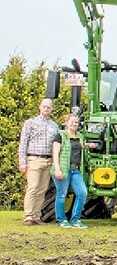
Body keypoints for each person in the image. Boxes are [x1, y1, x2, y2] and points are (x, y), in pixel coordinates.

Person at [18, 98, 59, 226]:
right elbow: (23, 143)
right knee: (32, 187)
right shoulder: (30, 123)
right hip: (34, 159)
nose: (46, 109)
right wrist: (22, 162)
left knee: (42, 189)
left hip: (48, 160)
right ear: (40, 107)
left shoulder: (54, 126)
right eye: (44, 106)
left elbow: (55, 145)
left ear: (52, 109)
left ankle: (36, 216)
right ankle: (28, 216)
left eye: (49, 107)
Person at [51, 113, 88, 229]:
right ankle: (62, 220)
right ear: (66, 123)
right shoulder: (60, 136)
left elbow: (81, 148)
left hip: (75, 170)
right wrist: (57, 170)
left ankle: (76, 220)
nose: (74, 124)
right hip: (63, 169)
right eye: (72, 122)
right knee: (62, 194)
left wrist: (89, 145)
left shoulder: (80, 136)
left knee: (82, 193)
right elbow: (55, 153)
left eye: (76, 122)